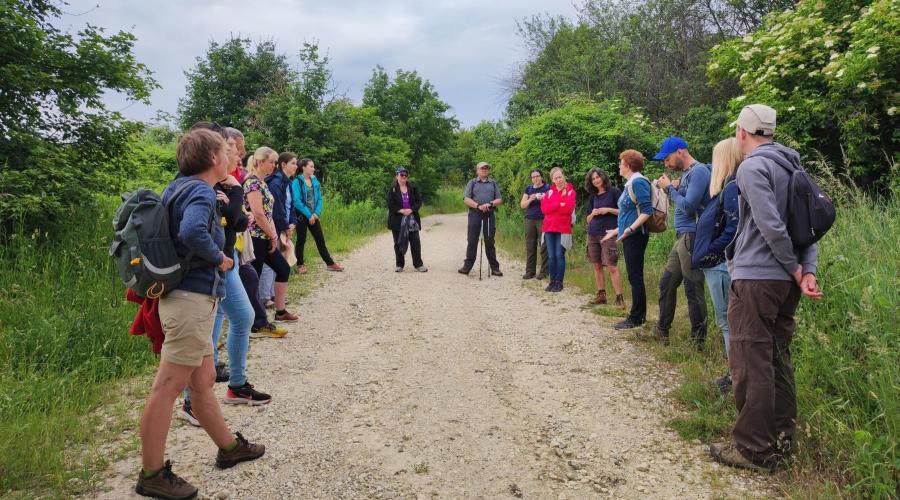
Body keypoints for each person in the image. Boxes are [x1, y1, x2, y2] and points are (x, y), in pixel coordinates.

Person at [135, 128, 264, 499]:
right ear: (213, 159)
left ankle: (228, 448)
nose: (230, 156)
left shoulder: (179, 186)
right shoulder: (200, 191)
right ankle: (152, 474)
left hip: (186, 299)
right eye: (225, 151)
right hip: (190, 300)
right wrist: (220, 257)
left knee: (204, 379)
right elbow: (193, 232)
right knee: (167, 387)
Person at [709, 104, 822, 472]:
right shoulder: (794, 168)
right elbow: (811, 227)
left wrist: (793, 268)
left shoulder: (753, 167)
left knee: (750, 360)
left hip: (757, 278)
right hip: (785, 283)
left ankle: (754, 449)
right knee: (776, 357)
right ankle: (782, 436)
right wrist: (806, 270)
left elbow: (770, 225)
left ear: (742, 133)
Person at [178, 126, 271, 428]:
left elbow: (238, 219)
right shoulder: (200, 186)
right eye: (233, 150)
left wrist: (232, 193)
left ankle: (237, 385)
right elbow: (228, 220)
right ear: (217, 153)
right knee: (207, 334)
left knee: (242, 318)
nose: (238, 156)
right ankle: (192, 402)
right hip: (210, 267)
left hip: (225, 263)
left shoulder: (228, 185)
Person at [692, 138, 742, 394]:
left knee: (726, 322)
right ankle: (735, 373)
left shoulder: (732, 187)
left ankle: (736, 377)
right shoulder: (726, 186)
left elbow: (733, 229)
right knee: (727, 322)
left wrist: (711, 250)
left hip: (721, 265)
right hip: (720, 263)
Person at [653, 136, 711, 347]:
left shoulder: (699, 171)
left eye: (667, 158)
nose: (666, 164)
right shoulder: (688, 174)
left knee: (692, 287)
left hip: (693, 236)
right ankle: (662, 330)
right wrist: (677, 185)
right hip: (682, 238)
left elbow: (688, 207)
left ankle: (698, 340)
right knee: (667, 282)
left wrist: (669, 188)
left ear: (680, 151)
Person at [243, 147, 298, 322]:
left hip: (267, 236)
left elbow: (268, 213)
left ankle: (280, 312)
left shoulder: (263, 182)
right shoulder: (251, 183)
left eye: (275, 162)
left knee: (283, 268)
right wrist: (272, 235)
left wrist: (273, 234)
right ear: (260, 162)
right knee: (255, 277)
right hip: (256, 237)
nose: (274, 165)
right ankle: (254, 320)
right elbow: (258, 214)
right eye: (271, 162)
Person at [602, 150, 653, 330]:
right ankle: (637, 315)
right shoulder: (631, 183)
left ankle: (637, 317)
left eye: (621, 163)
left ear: (629, 165)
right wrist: (616, 230)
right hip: (629, 234)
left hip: (636, 236)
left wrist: (629, 230)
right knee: (633, 275)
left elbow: (647, 211)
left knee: (635, 276)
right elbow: (629, 213)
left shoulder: (638, 182)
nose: (619, 166)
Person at [258, 152, 299, 308]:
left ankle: (274, 295)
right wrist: (284, 227)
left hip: (283, 226)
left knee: (280, 261)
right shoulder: (275, 182)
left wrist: (293, 222)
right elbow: (277, 209)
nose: (296, 166)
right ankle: (265, 296)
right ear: (284, 165)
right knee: (271, 263)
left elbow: (291, 205)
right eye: (293, 163)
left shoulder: (287, 182)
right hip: (275, 226)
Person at [291, 158, 344, 273]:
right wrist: (308, 215)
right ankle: (300, 265)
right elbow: (296, 201)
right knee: (301, 239)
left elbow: (319, 198)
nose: (313, 168)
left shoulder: (315, 180)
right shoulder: (297, 182)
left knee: (320, 238)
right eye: (311, 166)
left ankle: (330, 263)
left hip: (313, 215)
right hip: (302, 215)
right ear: (303, 167)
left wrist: (315, 213)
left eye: (313, 166)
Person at [584, 167, 625, 308]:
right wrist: (593, 213)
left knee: (612, 266)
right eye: (593, 179)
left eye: (597, 177)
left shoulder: (614, 192)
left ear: (603, 176)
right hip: (593, 233)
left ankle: (620, 298)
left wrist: (608, 209)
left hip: (609, 233)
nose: (596, 180)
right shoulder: (593, 197)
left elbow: (624, 211)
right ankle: (601, 295)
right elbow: (587, 219)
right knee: (596, 265)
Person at [459, 162, 503, 276]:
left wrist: (490, 204)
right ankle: (467, 267)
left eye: (486, 168)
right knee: (472, 241)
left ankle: (494, 268)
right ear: (477, 170)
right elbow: (466, 199)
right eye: (482, 168)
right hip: (475, 214)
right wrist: (478, 206)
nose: (484, 170)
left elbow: (499, 199)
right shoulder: (472, 183)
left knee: (489, 241)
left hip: (489, 214)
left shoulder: (493, 183)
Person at [539, 167, 575, 292]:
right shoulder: (549, 192)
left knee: (559, 255)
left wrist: (554, 206)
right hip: (549, 227)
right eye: (556, 178)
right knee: (551, 256)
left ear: (563, 176)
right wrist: (560, 204)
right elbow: (544, 209)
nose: (559, 180)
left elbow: (569, 209)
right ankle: (552, 281)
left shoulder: (570, 191)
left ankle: (559, 282)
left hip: (562, 228)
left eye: (560, 177)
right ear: (552, 180)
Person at [387, 167, 427, 272]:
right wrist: (400, 210)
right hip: (397, 219)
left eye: (405, 175)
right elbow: (390, 204)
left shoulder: (413, 187)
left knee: (415, 241)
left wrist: (411, 210)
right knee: (398, 242)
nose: (403, 177)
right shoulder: (392, 189)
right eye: (401, 175)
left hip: (412, 218)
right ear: (397, 176)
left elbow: (418, 202)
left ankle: (418, 264)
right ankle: (399, 265)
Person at [519, 169, 550, 280]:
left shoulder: (548, 188)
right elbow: (522, 205)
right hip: (530, 219)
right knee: (530, 245)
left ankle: (544, 272)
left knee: (544, 246)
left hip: (543, 219)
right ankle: (530, 271)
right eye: (533, 177)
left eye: (537, 176)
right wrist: (530, 199)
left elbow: (552, 203)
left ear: (541, 177)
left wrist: (543, 199)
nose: (535, 178)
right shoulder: (529, 189)